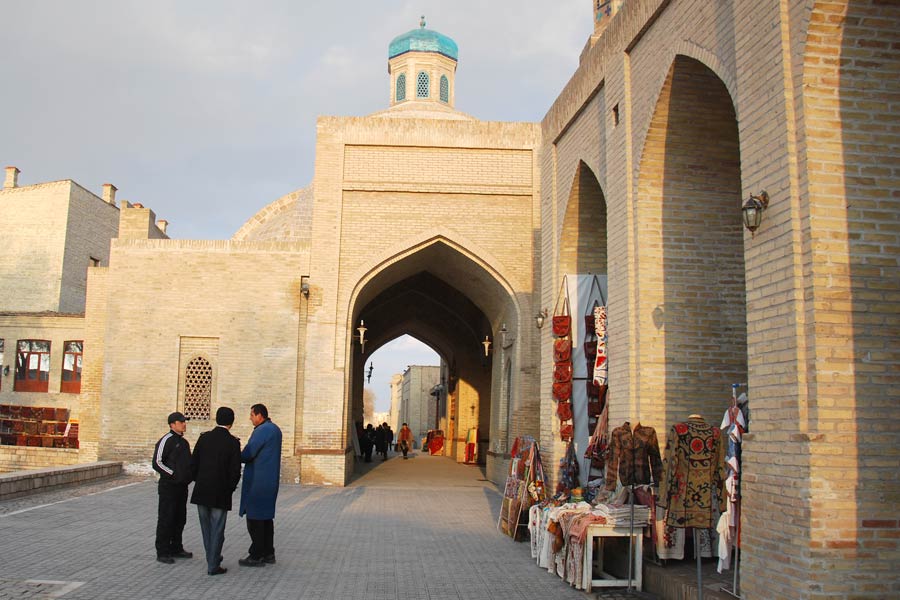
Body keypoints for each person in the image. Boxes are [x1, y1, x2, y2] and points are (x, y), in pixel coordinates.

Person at [190, 406, 242, 576]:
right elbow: (235, 471)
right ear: (231, 422)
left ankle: (211, 558)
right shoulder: (233, 442)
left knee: (206, 529)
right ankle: (213, 564)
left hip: (202, 490)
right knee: (217, 529)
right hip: (221, 492)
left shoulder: (204, 438)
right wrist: (230, 489)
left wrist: (199, 480)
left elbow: (194, 463)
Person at [238, 403, 282, 567]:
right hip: (270, 481)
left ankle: (256, 554)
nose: (250, 418)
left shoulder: (263, 431)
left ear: (259, 415)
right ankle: (268, 553)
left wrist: (237, 454)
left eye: (252, 415)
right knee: (266, 520)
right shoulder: (275, 429)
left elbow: (249, 453)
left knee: (255, 520)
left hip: (258, 482)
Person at [152, 411, 193, 564]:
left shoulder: (184, 443)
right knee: (166, 518)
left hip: (181, 487)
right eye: (181, 422)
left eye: (184, 421)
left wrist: (188, 477)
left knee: (180, 518)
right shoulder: (166, 440)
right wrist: (173, 474)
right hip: (168, 487)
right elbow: (157, 462)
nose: (184, 424)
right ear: (173, 424)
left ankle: (176, 547)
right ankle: (163, 551)